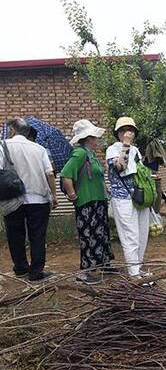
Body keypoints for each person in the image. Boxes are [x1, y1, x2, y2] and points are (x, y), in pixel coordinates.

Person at [0, 118, 58, 282]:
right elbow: (49, 174)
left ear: (12, 130)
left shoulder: (2, 146)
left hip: (12, 199)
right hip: (38, 199)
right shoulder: (39, 149)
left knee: (15, 235)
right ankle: (36, 272)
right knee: (37, 236)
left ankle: (20, 268)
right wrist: (53, 196)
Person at [60, 119, 113, 285]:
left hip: (98, 201)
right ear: (89, 138)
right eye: (95, 137)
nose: (97, 139)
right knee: (88, 235)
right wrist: (72, 194)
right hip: (86, 203)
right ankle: (85, 272)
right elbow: (66, 174)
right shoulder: (80, 153)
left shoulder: (91, 154)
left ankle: (104, 263)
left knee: (101, 234)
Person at [106, 117, 150, 278]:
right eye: (123, 130)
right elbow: (120, 167)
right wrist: (125, 145)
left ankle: (138, 267)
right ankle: (133, 273)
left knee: (142, 234)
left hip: (139, 197)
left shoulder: (136, 150)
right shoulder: (112, 149)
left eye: (130, 130)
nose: (127, 133)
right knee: (130, 235)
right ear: (117, 133)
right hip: (123, 198)